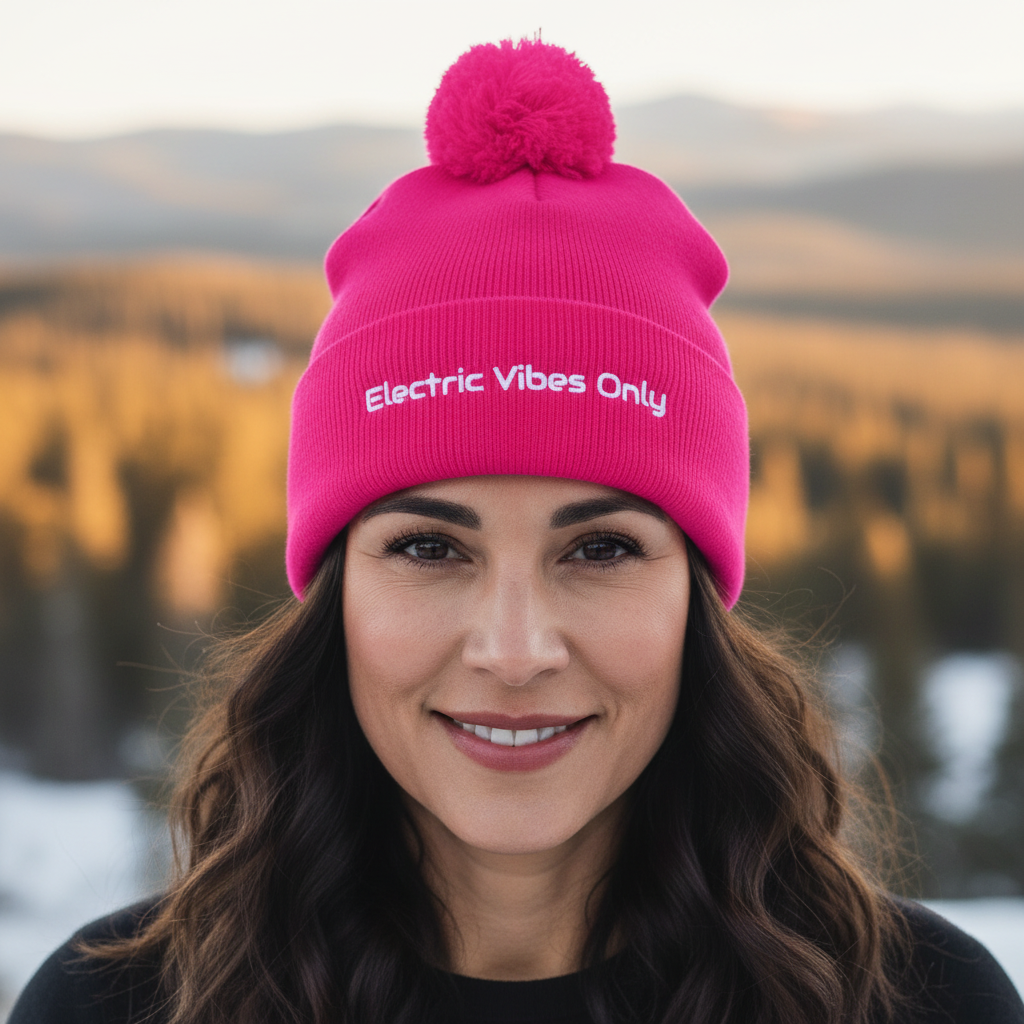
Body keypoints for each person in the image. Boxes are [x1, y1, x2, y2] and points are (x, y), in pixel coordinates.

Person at [10, 38, 1024, 1024]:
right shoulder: (121, 1002)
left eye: (600, 548)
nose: (514, 649)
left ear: (695, 595)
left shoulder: (916, 1001)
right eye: (428, 547)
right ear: (336, 592)